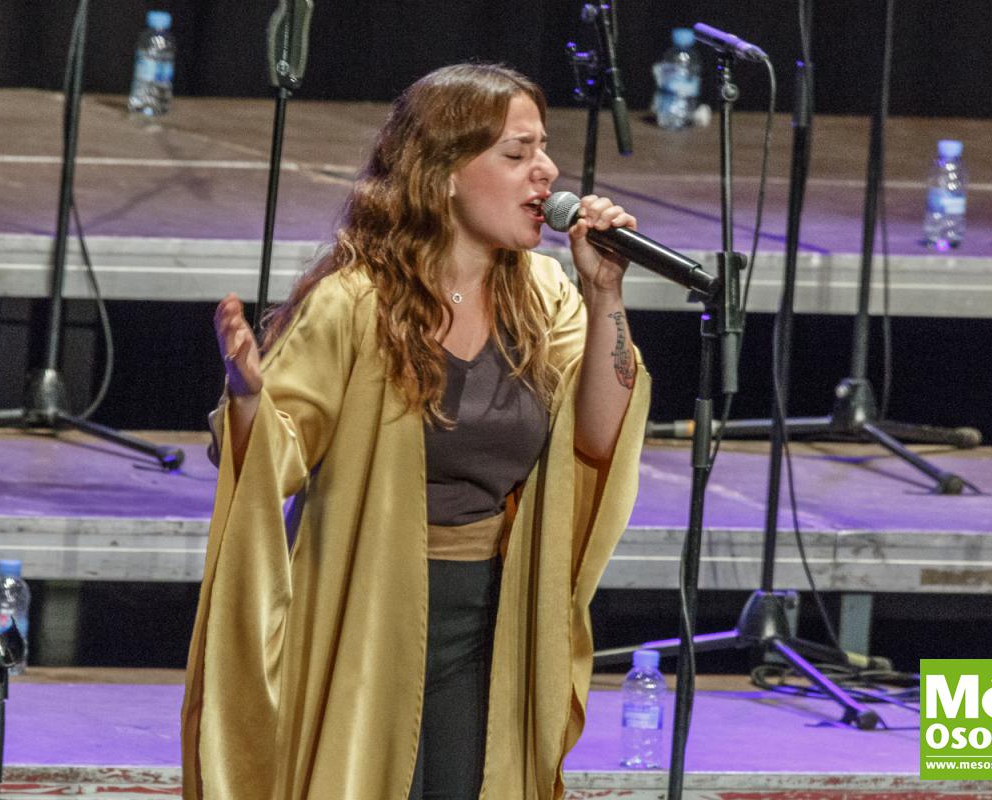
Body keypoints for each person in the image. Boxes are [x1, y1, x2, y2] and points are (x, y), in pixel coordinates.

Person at [182, 63, 651, 800]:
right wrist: (246, 397)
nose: (547, 171)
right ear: (444, 173)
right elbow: (277, 455)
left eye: (543, 149)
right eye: (517, 152)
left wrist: (606, 295)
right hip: (363, 613)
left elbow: (598, 439)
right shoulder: (354, 302)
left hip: (491, 620)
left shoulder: (546, 296)